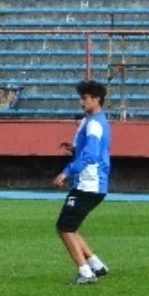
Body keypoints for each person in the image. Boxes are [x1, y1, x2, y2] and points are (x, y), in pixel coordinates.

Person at [53, 80, 112, 285]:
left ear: (96, 100)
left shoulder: (94, 123)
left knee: (65, 227)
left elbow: (92, 155)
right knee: (70, 226)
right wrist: (74, 149)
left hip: (89, 184)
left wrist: (67, 171)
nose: (82, 102)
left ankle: (86, 272)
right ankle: (96, 265)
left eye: (85, 98)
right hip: (91, 184)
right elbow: (90, 150)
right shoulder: (93, 120)